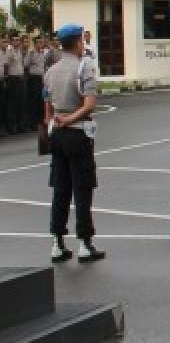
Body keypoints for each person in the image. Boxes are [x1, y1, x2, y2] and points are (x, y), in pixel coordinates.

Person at [45, 23, 105, 263]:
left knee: (60, 189)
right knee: (82, 188)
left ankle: (57, 243)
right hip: (77, 132)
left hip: (57, 133)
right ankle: (84, 243)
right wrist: (70, 118)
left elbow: (47, 106)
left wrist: (56, 120)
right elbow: (89, 104)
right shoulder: (84, 68)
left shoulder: (51, 70)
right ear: (79, 42)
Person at [1, 33, 26, 134]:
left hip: (20, 78)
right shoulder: (9, 52)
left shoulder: (19, 51)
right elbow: (6, 66)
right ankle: (11, 127)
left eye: (18, 40)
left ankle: (20, 126)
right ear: (11, 42)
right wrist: (6, 79)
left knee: (21, 103)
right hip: (12, 79)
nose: (17, 42)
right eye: (14, 40)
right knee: (12, 104)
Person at [24, 34, 47, 134]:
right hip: (34, 78)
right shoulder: (31, 53)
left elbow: (44, 65)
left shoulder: (43, 53)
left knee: (42, 100)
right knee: (34, 101)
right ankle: (33, 123)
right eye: (38, 42)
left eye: (42, 42)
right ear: (35, 43)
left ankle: (41, 121)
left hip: (42, 78)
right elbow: (25, 65)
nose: (40, 44)